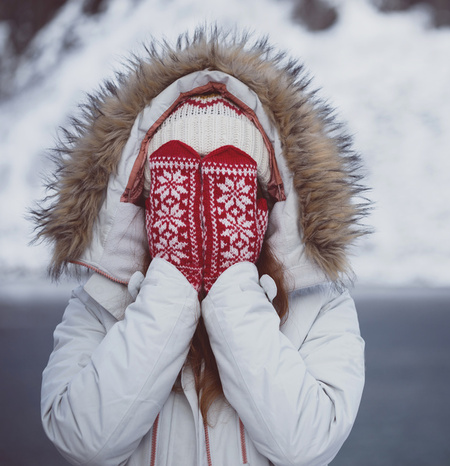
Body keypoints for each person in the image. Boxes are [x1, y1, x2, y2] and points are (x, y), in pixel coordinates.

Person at [32, 28, 370, 466]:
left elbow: (302, 445)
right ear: (149, 202)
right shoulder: (100, 304)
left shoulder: (319, 307)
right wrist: (174, 278)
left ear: (264, 204)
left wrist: (230, 279)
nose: (202, 209)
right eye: (181, 189)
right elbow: (84, 441)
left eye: (227, 190)